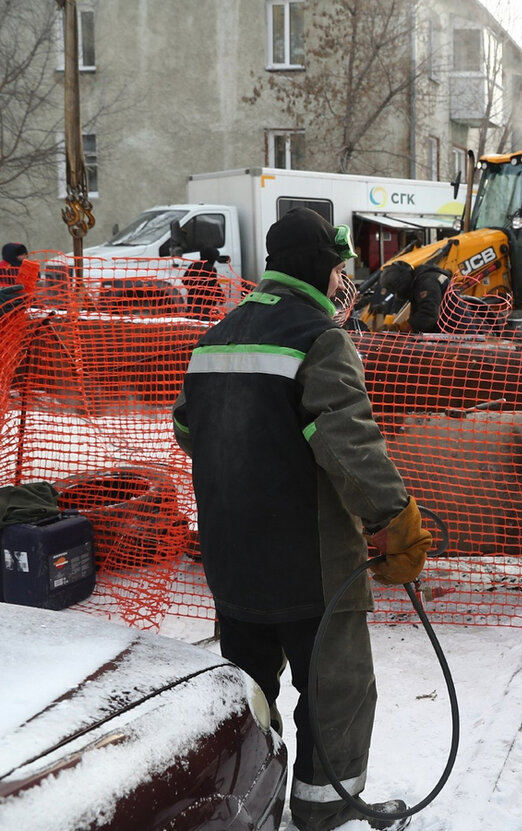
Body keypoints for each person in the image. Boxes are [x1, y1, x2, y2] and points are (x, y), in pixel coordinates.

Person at [172, 207, 432, 831]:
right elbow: (349, 445)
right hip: (314, 571)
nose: (345, 282)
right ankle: (324, 810)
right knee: (335, 694)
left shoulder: (216, 337)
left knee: (245, 694)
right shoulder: (319, 338)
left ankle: (244, 800)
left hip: (232, 567)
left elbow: (186, 430)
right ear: (321, 268)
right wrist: (395, 518)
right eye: (340, 268)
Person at [181, 246, 228, 319]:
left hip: (192, 304)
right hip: (206, 306)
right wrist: (221, 297)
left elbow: (184, 280)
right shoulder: (210, 269)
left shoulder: (193, 265)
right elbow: (214, 285)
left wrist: (192, 290)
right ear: (211, 258)